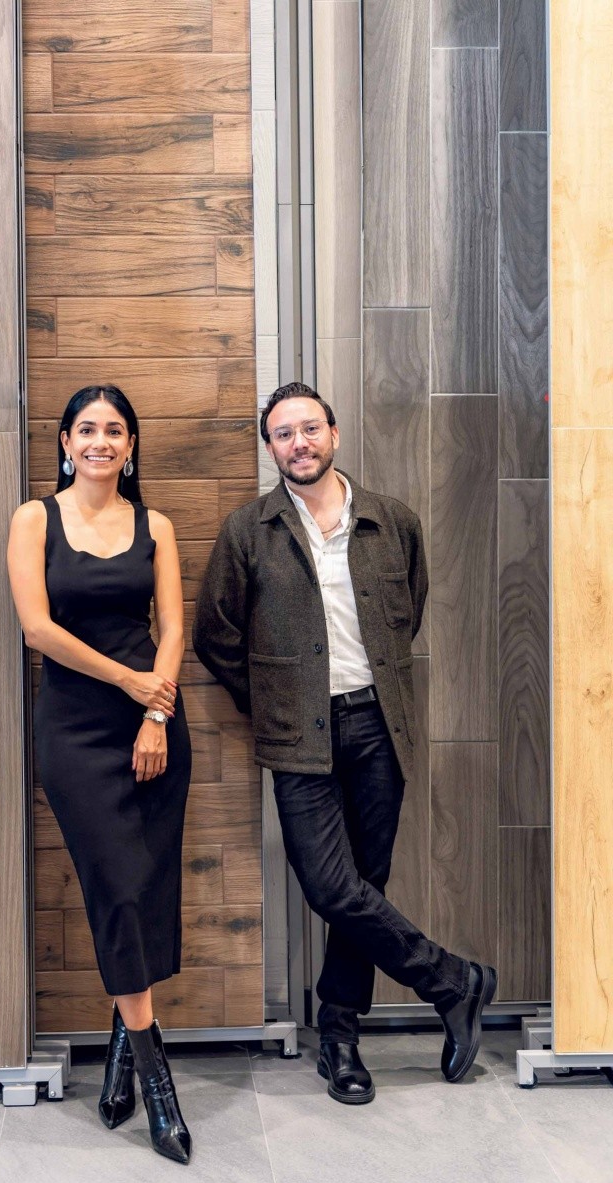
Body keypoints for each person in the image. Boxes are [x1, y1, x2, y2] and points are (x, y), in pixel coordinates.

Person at [193, 381, 497, 1105]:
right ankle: (452, 980)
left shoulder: (392, 522)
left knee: (366, 884)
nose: (298, 443)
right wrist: (274, 700)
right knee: (332, 885)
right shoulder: (249, 531)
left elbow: (408, 612)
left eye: (309, 429)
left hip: (378, 726)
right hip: (298, 734)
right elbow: (215, 634)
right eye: (282, 434)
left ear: (333, 433)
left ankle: (339, 1036)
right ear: (270, 448)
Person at [7, 385, 192, 1164]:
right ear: (65, 441)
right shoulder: (34, 519)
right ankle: (158, 1084)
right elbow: (37, 628)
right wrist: (130, 683)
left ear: (131, 446)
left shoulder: (157, 526)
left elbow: (173, 628)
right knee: (115, 887)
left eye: (115, 430)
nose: (101, 441)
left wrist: (155, 714)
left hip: (154, 726)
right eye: (87, 429)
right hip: (76, 729)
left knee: (146, 890)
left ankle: (122, 1052)